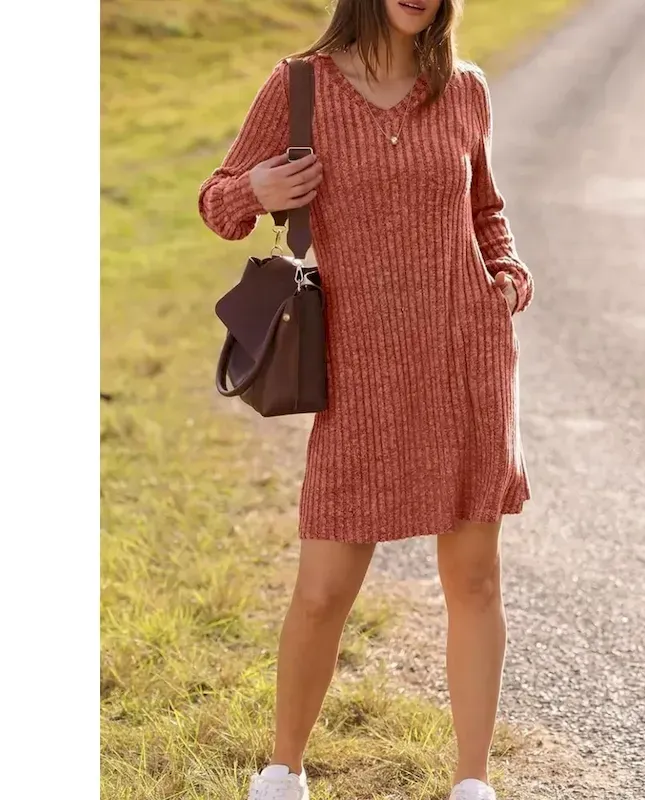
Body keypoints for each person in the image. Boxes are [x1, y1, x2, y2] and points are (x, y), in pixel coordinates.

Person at [199, 1, 534, 798]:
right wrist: (256, 187)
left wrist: (507, 271)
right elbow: (217, 205)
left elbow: (486, 211)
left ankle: (472, 783)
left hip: (465, 361)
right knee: (322, 592)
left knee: (475, 582)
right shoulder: (300, 87)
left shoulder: (464, 89)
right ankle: (284, 773)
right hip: (358, 376)